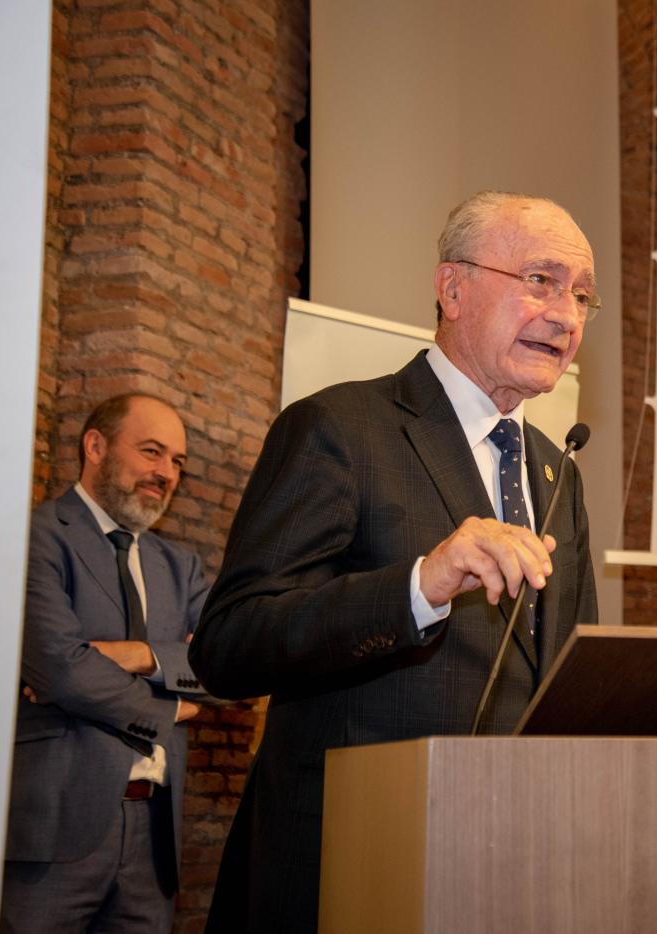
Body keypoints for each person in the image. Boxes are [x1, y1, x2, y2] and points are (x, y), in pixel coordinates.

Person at [190, 190, 600, 933]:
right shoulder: (339, 428)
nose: (567, 315)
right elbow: (230, 644)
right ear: (453, 288)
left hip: (512, 869)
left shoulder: (555, 470)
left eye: (580, 295)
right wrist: (420, 587)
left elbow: (567, 670)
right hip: (348, 868)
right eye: (541, 281)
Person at [1, 394, 210, 933]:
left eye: (177, 462)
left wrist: (143, 656)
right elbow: (59, 668)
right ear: (95, 446)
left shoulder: (180, 566)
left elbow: (226, 666)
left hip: (153, 840)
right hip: (55, 837)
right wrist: (173, 710)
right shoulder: (35, 537)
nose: (166, 473)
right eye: (151, 452)